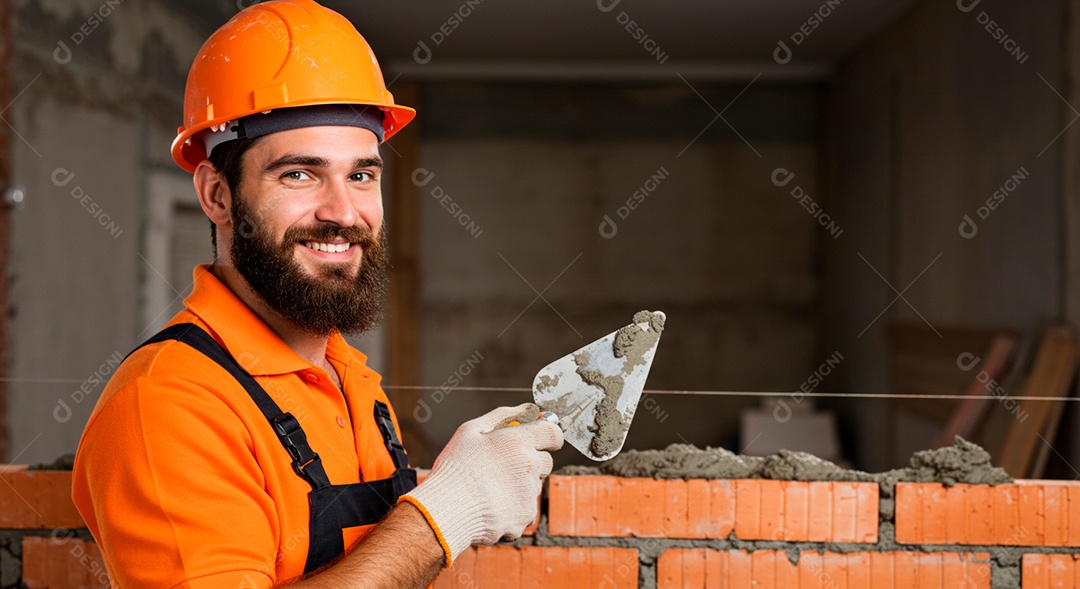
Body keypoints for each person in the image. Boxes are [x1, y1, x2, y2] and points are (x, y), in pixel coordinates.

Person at [70, 1, 563, 586]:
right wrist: (444, 517)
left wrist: (463, 484)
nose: (343, 212)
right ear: (217, 195)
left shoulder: (347, 376)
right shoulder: (169, 404)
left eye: (361, 174)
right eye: (299, 174)